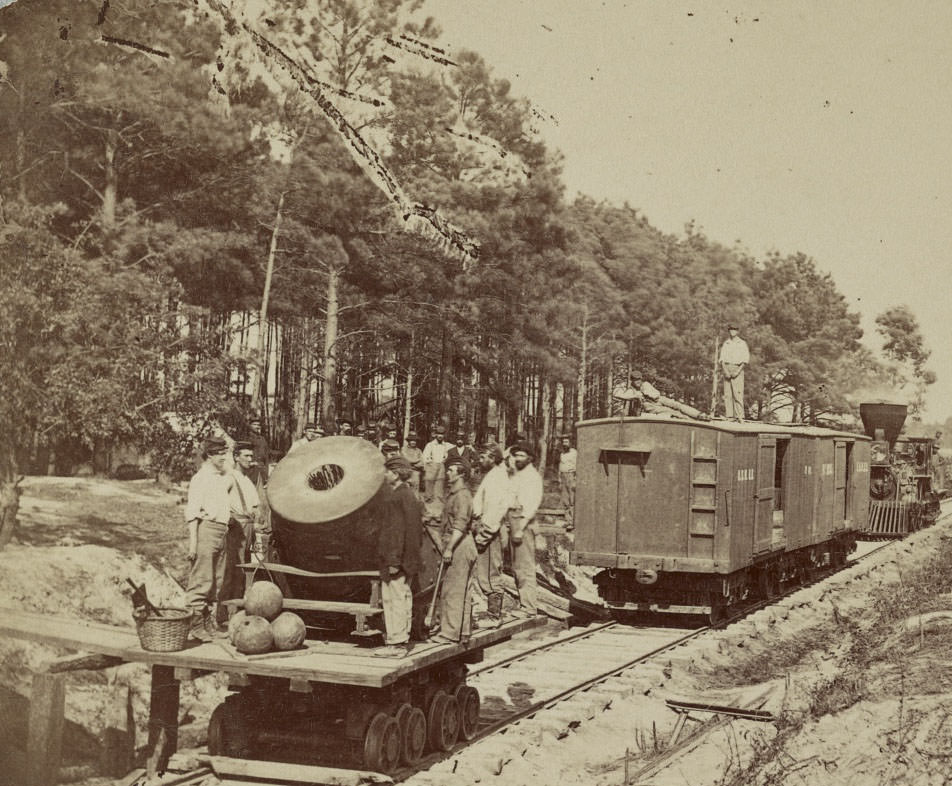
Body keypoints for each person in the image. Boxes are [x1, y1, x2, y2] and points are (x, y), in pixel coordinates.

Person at [184, 436, 233, 642]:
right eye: (221, 453)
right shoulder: (200, 478)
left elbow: (229, 473)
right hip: (206, 532)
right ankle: (195, 626)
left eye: (225, 452)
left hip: (222, 532)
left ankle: (208, 623)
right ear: (210, 455)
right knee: (202, 580)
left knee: (217, 582)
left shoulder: (219, 477)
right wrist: (193, 544)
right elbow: (192, 513)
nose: (224, 457)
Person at [375, 454, 423, 656]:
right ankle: (398, 640)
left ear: (395, 474)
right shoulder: (407, 495)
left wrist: (394, 561)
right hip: (403, 559)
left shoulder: (399, 497)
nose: (384, 475)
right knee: (398, 597)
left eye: (387, 471)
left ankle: (398, 643)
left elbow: (398, 532)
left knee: (396, 599)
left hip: (397, 560)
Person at [431, 456, 477, 644]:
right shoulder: (456, 494)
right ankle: (462, 632)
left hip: (459, 544)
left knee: (452, 590)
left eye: (451, 470)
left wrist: (449, 549)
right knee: (464, 591)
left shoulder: (462, 495)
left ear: (461, 474)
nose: (447, 473)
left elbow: (459, 525)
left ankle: (449, 634)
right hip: (462, 543)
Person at [471, 443, 513, 627]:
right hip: (486, 528)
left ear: (493, 458)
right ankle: (492, 613)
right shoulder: (493, 475)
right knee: (485, 572)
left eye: (483, 457)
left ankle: (494, 616)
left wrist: (485, 534)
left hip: (491, 531)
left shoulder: (498, 477)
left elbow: (497, 509)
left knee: (491, 572)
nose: (480, 461)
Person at [221, 441, 260, 621]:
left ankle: (236, 613)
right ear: (236, 457)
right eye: (246, 456)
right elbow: (218, 499)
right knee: (232, 568)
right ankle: (223, 615)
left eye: (251, 456)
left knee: (244, 570)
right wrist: (229, 517)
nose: (250, 459)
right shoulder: (230, 477)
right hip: (236, 528)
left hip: (249, 528)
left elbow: (255, 506)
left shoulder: (248, 480)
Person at [507, 442, 543, 617]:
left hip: (523, 522)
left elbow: (531, 505)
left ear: (530, 458)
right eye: (516, 455)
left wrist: (520, 528)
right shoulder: (517, 475)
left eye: (522, 455)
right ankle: (524, 604)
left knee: (524, 566)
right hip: (513, 519)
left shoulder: (532, 477)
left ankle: (529, 607)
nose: (518, 458)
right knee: (517, 566)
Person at [719, 324, 750, 420]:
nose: (732, 332)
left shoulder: (742, 343)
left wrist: (738, 371)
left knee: (738, 393)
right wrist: (725, 370)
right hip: (727, 368)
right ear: (729, 331)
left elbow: (745, 360)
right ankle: (729, 416)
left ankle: (739, 416)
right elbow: (722, 359)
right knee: (728, 394)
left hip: (738, 369)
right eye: (731, 330)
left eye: (734, 330)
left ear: (737, 331)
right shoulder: (726, 343)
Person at [422, 425, 450, 503]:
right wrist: (429, 462)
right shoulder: (430, 445)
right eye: (438, 434)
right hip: (432, 466)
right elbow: (425, 457)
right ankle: (428, 498)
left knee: (440, 481)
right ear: (435, 435)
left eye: (442, 434)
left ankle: (439, 498)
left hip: (441, 466)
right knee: (429, 481)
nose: (440, 436)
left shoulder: (446, 445)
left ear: (444, 435)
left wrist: (445, 458)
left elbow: (452, 451)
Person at [558, 434, 578, 531]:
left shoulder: (574, 453)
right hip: (563, 476)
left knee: (572, 500)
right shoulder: (562, 453)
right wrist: (559, 478)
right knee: (565, 500)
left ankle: (573, 522)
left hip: (571, 475)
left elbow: (578, 465)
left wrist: (576, 478)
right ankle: (568, 520)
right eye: (563, 442)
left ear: (570, 443)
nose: (564, 444)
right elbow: (560, 465)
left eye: (566, 442)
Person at [246, 418, 270, 486]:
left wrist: (266, 472)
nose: (257, 426)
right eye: (254, 424)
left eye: (258, 425)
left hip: (262, 470)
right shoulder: (246, 438)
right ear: (250, 425)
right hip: (250, 470)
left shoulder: (262, 439)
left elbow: (266, 457)